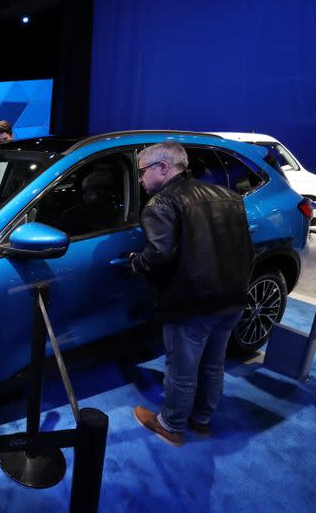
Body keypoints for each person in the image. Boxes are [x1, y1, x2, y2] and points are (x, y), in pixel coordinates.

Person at [130, 141, 253, 447]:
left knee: (181, 369)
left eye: (143, 172)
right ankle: (202, 420)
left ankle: (170, 426)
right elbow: (246, 250)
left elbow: (159, 254)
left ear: (163, 168)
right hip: (232, 297)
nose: (141, 180)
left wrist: (135, 263)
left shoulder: (161, 204)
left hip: (192, 303)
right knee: (214, 363)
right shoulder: (229, 197)